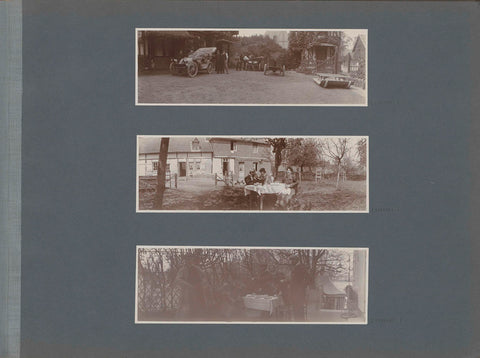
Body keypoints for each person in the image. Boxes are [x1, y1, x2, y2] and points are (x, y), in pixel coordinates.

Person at [175, 254, 207, 320]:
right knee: (186, 306)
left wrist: (202, 283)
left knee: (199, 304)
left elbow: (204, 276)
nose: (189, 261)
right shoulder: (183, 269)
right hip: (188, 289)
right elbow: (178, 279)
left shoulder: (197, 268)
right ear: (185, 261)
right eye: (187, 260)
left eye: (190, 259)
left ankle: (198, 317)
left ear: (192, 260)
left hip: (198, 289)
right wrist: (187, 285)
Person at [289, 254, 309, 321]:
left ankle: (300, 321)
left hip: (299, 292)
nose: (291, 262)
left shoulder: (301, 267)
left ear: (296, 260)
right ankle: (297, 321)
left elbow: (307, 278)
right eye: (291, 260)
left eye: (292, 260)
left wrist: (302, 286)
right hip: (295, 291)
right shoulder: (295, 267)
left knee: (299, 308)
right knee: (296, 307)